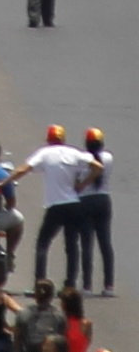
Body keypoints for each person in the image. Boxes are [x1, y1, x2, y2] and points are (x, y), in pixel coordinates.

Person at [25, 125, 98, 287]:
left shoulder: (45, 153)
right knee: (71, 245)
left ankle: (40, 282)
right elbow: (98, 167)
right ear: (63, 139)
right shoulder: (74, 153)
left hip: (56, 206)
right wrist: (83, 185)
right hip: (73, 204)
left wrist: (4, 182)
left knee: (43, 243)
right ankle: (70, 283)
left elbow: (25, 168)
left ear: (49, 140)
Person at [78, 128, 113, 299]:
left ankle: (87, 285)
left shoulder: (82, 160)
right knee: (105, 243)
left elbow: (76, 179)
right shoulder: (108, 158)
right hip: (104, 200)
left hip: (86, 201)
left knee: (87, 244)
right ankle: (109, 285)